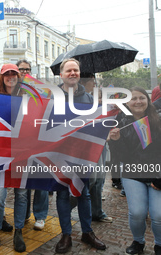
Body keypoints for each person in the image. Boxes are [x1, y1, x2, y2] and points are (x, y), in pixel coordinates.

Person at [54, 58, 106, 254]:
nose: (73, 73)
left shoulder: (89, 99)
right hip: (59, 154)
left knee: (83, 193)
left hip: (82, 155)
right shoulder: (52, 96)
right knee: (62, 193)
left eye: (76, 70)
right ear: (62, 75)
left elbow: (97, 124)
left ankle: (87, 232)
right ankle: (66, 234)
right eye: (69, 71)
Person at [109, 87, 161, 255]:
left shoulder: (158, 120)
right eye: (134, 99)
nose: (138, 101)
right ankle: (138, 242)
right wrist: (115, 141)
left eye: (142, 98)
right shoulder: (122, 122)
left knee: (158, 215)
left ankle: (159, 244)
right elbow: (123, 156)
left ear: (148, 100)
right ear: (128, 103)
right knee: (137, 212)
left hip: (157, 172)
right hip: (133, 172)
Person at [0, 63, 27, 253]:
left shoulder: (28, 99)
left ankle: (19, 231)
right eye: (7, 74)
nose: (10, 77)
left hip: (23, 155)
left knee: (22, 195)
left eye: (14, 74)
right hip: (0, 156)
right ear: (1, 77)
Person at [16, 59, 49, 231]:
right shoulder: (13, 90)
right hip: (20, 143)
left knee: (40, 181)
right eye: (21, 69)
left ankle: (41, 215)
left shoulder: (39, 89)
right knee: (24, 181)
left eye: (27, 69)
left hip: (38, 140)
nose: (24, 72)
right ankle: (26, 213)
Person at [79, 75, 112, 223]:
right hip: (86, 146)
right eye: (92, 80)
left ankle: (97, 212)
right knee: (90, 181)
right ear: (84, 82)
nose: (95, 83)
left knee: (98, 180)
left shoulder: (94, 100)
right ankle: (69, 206)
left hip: (100, 143)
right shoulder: (78, 100)